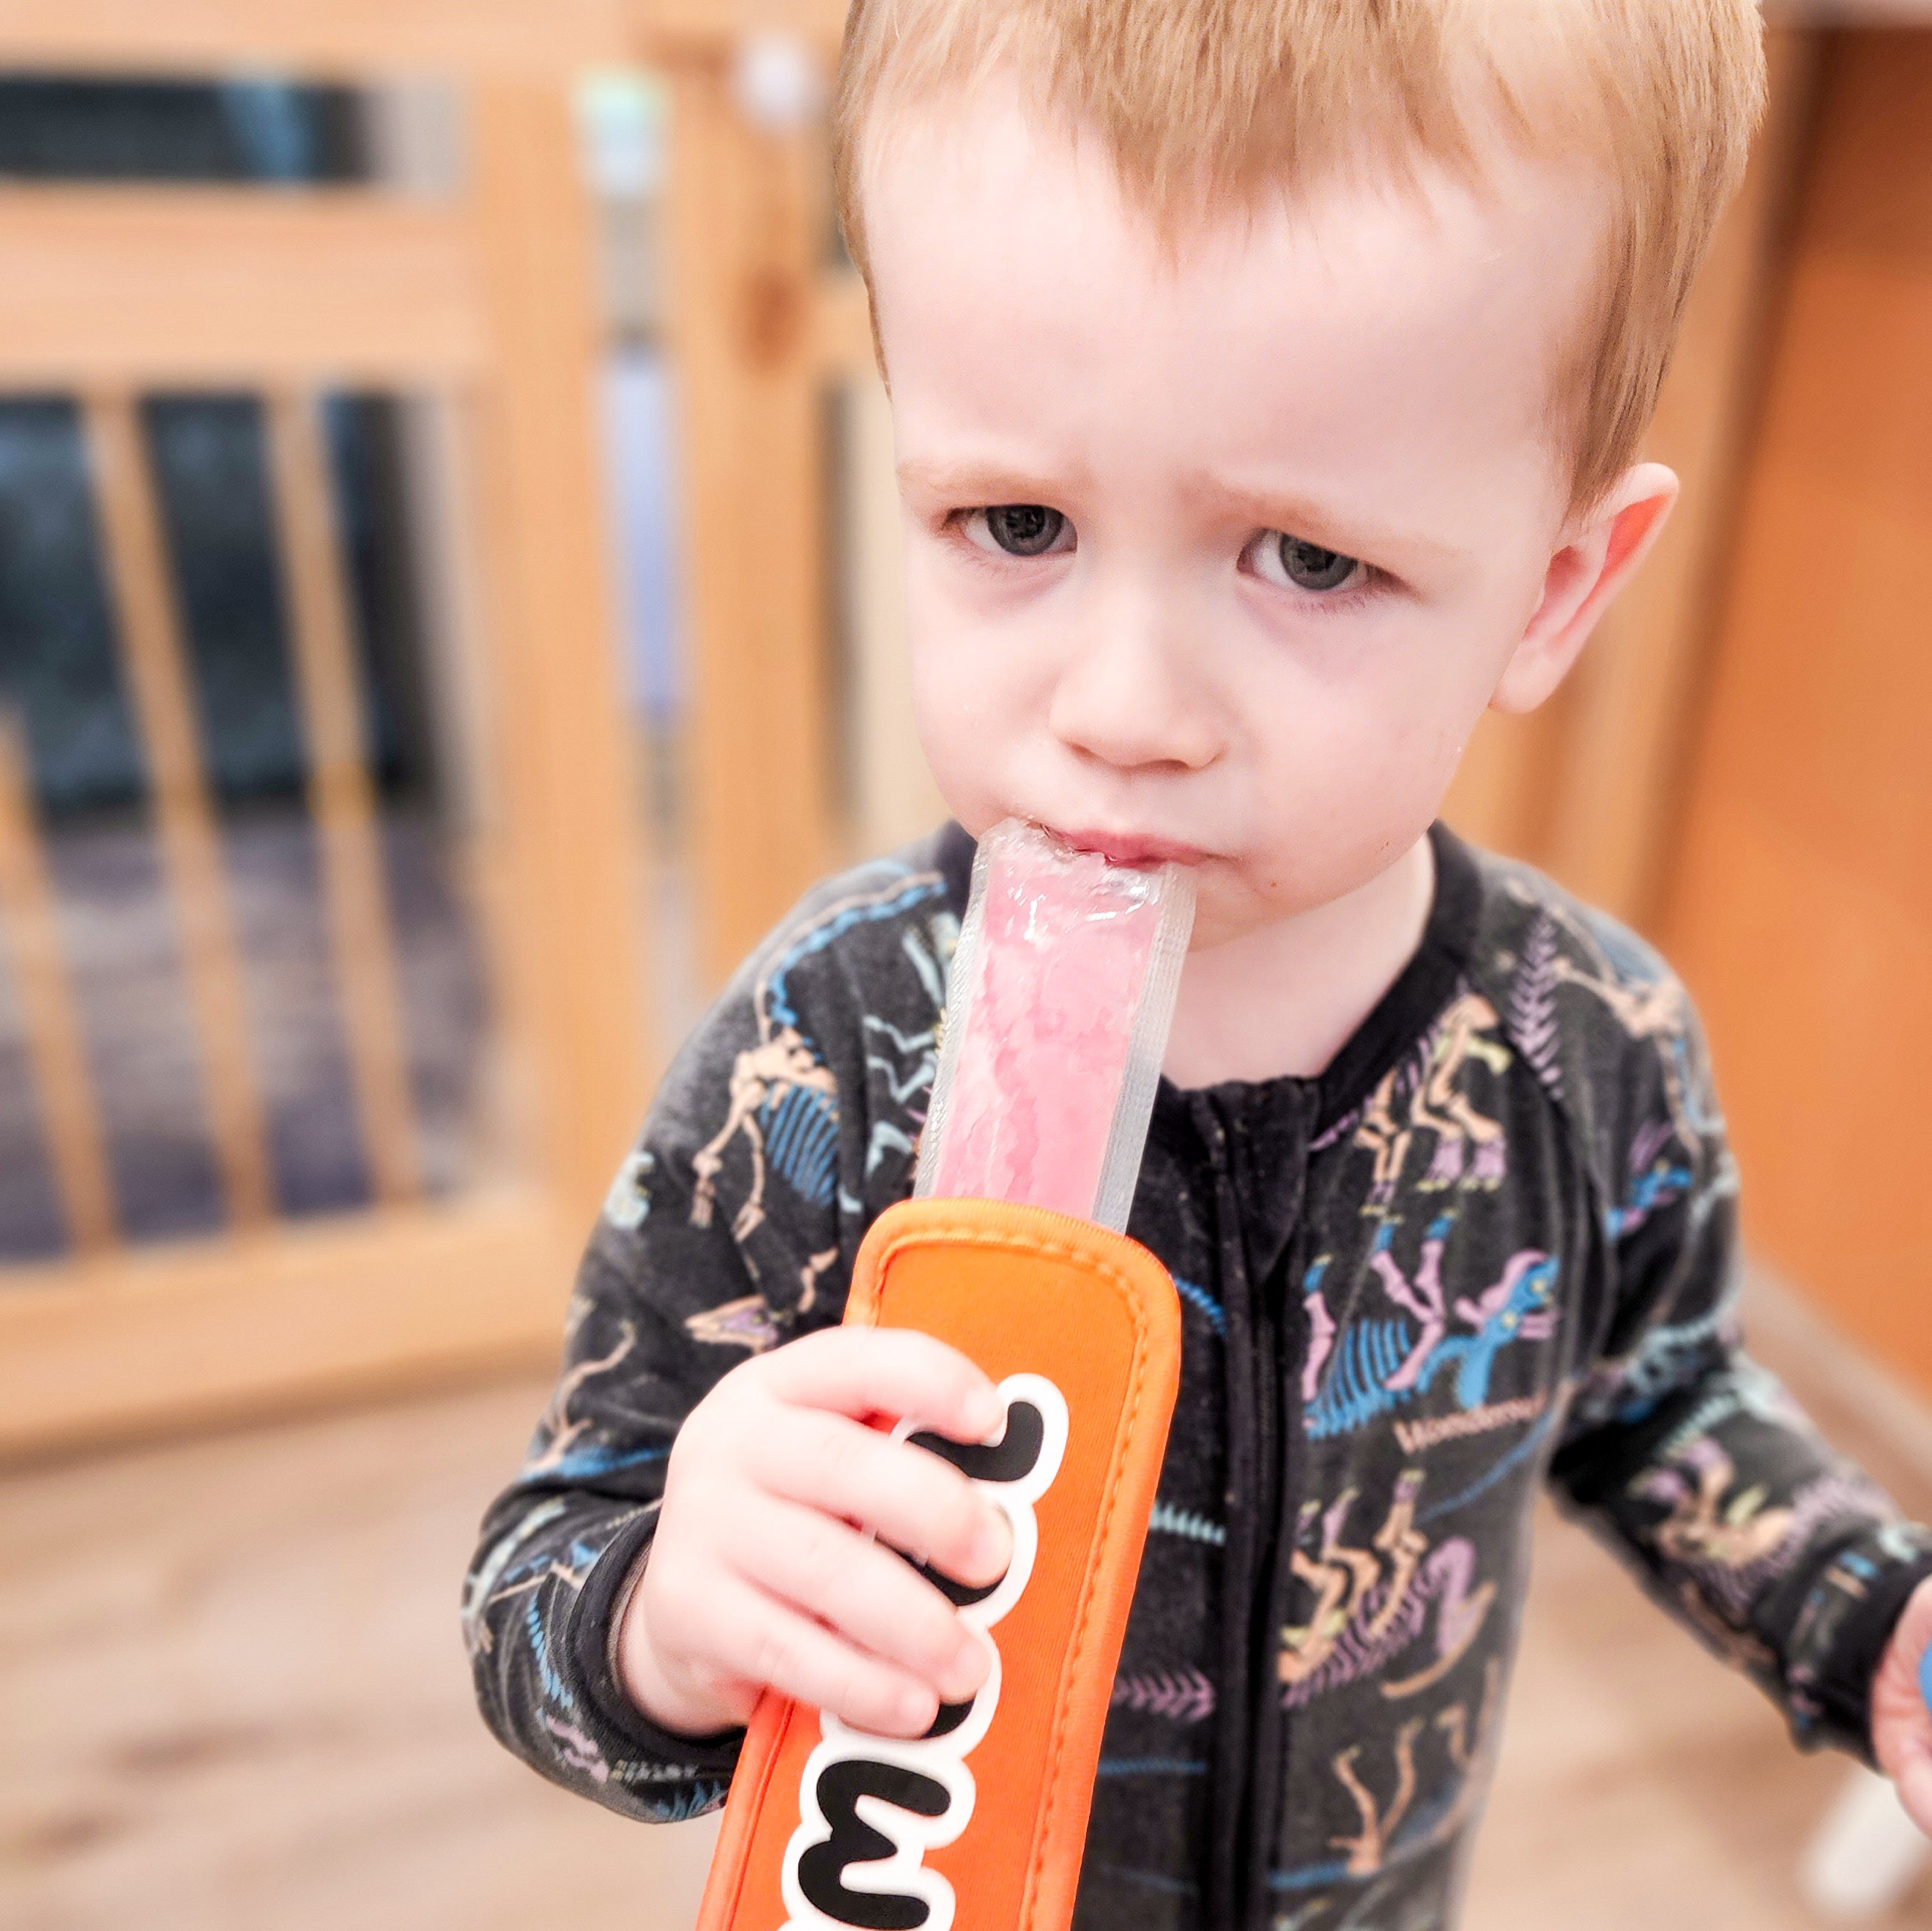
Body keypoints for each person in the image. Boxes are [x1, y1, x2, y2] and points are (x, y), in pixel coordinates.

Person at [463, 3, 1932, 1923]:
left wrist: (1875, 1618)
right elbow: (534, 1597)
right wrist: (664, 1617)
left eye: (1307, 562)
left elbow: (1657, 1403)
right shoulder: (813, 1071)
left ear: (1557, 587)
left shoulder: (1585, 1047)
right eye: (1017, 522)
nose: (1126, 706)